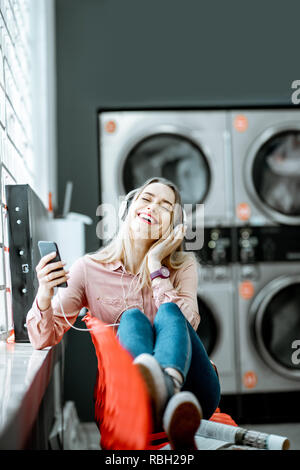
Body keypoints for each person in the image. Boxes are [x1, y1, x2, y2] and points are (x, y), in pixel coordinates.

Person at [26, 176, 220, 450]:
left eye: (165, 206)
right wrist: (45, 293)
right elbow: (42, 338)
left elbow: (188, 326)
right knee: (131, 318)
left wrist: (155, 266)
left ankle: (165, 387)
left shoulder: (183, 266)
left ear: (173, 227)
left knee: (170, 312)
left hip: (191, 397)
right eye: (147, 198)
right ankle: (150, 394)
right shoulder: (88, 269)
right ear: (127, 209)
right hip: (129, 400)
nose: (153, 207)